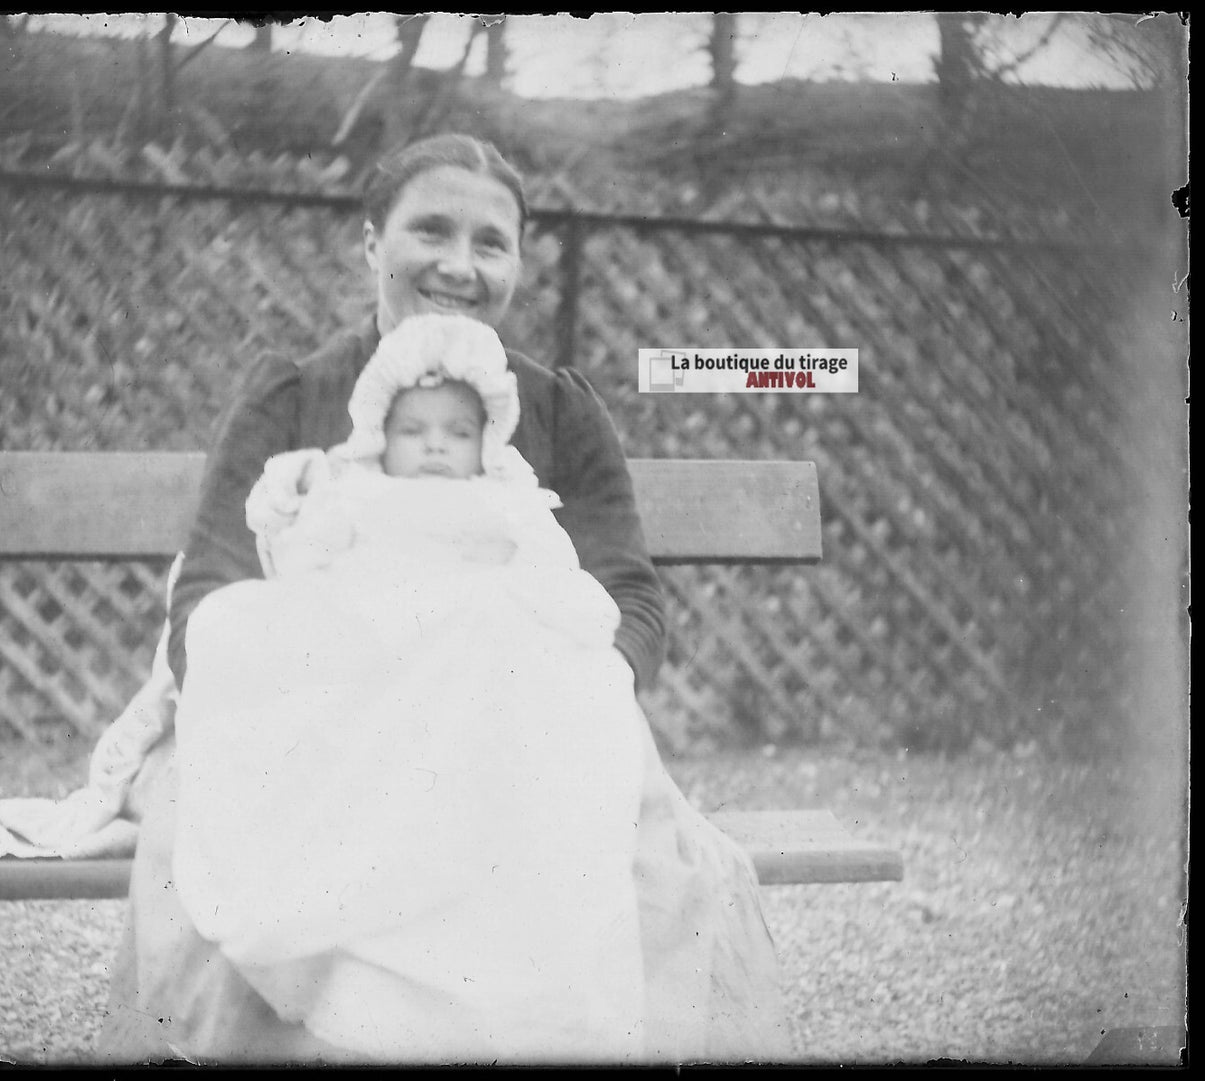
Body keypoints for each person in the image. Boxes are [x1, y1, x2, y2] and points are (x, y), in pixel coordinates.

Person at [98, 132, 791, 1064]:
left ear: (517, 264)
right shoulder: (294, 398)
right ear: (371, 245)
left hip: (514, 736)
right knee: (243, 888)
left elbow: (628, 597)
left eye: (490, 242)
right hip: (306, 739)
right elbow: (211, 598)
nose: (458, 266)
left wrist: (541, 697)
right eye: (429, 230)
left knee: (653, 877)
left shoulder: (554, 412)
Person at [169, 311, 649, 1062]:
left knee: (510, 643)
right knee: (234, 624)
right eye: (414, 429)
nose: (433, 446)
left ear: (486, 441)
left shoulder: (505, 501)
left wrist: (541, 612)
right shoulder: (356, 492)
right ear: (380, 435)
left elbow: (561, 581)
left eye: (456, 432)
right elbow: (300, 562)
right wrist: (292, 503)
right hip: (375, 660)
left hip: (468, 668)